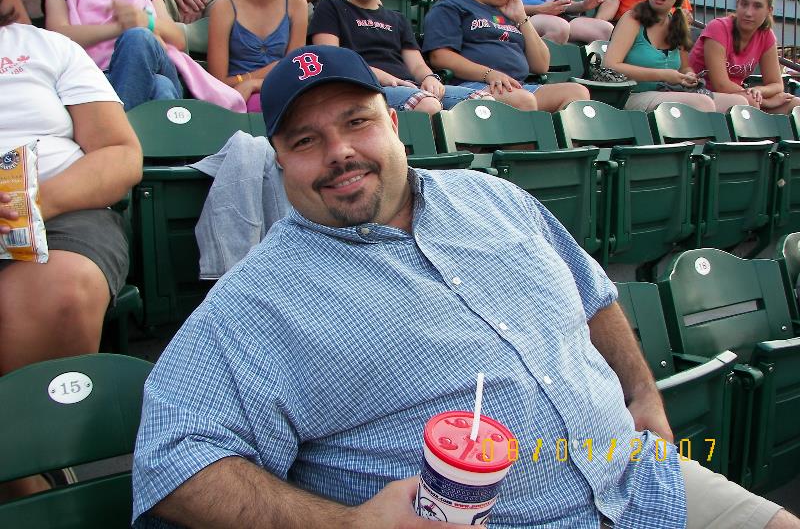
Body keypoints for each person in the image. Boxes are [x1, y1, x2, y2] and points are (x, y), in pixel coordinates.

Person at [130, 44, 800, 528]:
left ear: (393, 124)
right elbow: (173, 462)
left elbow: (594, 295)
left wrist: (642, 394)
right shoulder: (261, 297)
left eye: (356, 122)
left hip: (636, 478)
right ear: (279, 166)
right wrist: (350, 526)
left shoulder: (494, 199)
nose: (338, 151)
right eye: (306, 140)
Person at [0, 0, 142, 498]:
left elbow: (119, 154)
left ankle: (28, 474)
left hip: (60, 211)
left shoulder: (46, 47)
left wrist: (34, 202)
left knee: (63, 291)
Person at [45, 0, 245, 113]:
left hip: (152, 66)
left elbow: (178, 40)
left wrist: (146, 22)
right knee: (161, 87)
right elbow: (58, 37)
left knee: (138, 37)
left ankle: (120, 132)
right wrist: (116, 28)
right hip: (99, 78)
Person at [309, 0, 490, 116]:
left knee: (485, 104)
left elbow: (417, 65)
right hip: (362, 88)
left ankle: (464, 147)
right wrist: (385, 77)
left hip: (408, 88)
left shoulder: (397, 19)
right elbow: (332, 61)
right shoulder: (331, 8)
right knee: (427, 104)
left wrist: (429, 77)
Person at [423, 0, 588, 112]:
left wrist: (522, 18)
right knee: (524, 100)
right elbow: (440, 57)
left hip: (517, 87)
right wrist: (489, 74)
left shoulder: (508, 12)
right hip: (472, 86)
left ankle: (553, 138)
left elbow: (541, 66)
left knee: (577, 92)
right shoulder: (451, 6)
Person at [605, 0, 746, 113]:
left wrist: (689, 75)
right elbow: (611, 65)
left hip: (670, 93)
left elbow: (685, 67)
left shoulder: (677, 23)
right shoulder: (632, 19)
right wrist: (663, 75)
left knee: (739, 103)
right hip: (632, 95)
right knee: (702, 104)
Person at [208, 0, 307, 112]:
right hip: (237, 100)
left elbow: (294, 72)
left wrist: (254, 84)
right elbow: (218, 83)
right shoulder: (224, 8)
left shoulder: (297, 5)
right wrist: (257, 79)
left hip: (285, 94)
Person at [690, 0, 800, 115]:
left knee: (795, 105)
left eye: (757, 6)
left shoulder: (766, 35)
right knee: (749, 102)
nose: (748, 12)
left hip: (740, 95)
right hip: (699, 92)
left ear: (769, 11)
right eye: (744, 4)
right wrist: (765, 102)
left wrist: (759, 91)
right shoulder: (717, 28)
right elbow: (721, 85)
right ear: (737, 5)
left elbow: (776, 84)